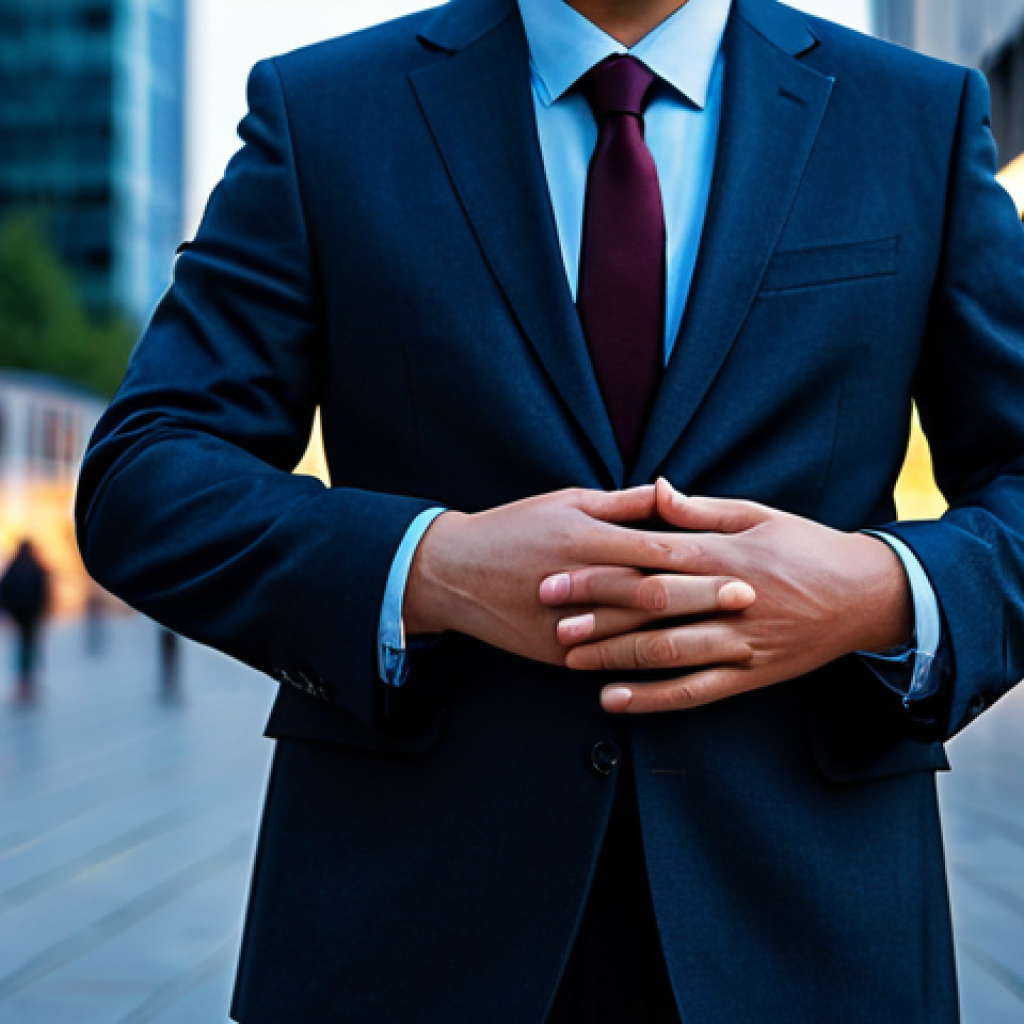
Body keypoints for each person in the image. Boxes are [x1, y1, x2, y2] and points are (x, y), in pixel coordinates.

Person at [74, 0, 1024, 1020]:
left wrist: (878, 591)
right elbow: (146, 472)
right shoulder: (321, 111)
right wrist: (428, 567)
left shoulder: (915, 116)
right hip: (407, 927)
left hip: (809, 927)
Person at [0, 540, 50, 704]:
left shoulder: (15, 567)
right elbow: (44, 591)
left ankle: (24, 683)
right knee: (29, 647)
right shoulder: (35, 567)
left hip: (22, 615)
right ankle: (27, 682)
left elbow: (4, 590)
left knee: (24, 647)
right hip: (29, 616)